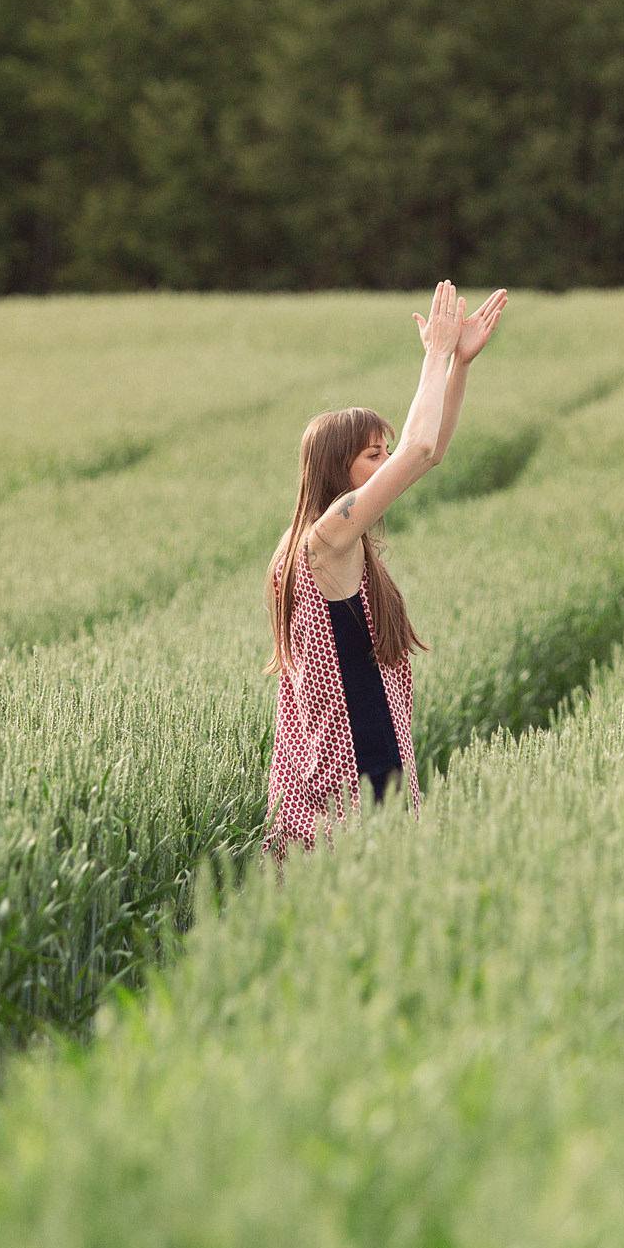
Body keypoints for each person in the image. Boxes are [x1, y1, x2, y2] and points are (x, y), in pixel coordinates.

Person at [266, 281, 509, 857]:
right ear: (336, 468)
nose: (387, 464)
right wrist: (435, 354)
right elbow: (419, 450)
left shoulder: (321, 539)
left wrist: (458, 366)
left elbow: (431, 451)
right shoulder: (325, 538)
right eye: (374, 454)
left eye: (384, 452)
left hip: (364, 757)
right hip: (351, 772)